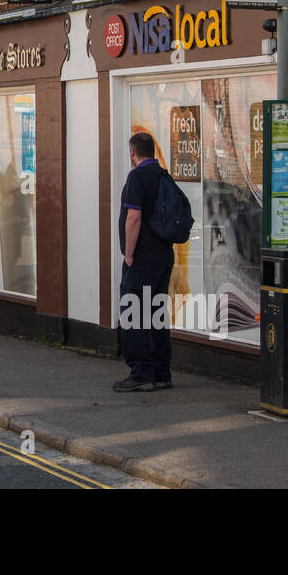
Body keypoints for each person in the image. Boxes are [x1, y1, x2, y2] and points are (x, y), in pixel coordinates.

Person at [114, 131, 175, 392]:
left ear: (132, 152)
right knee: (157, 312)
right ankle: (161, 371)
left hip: (143, 258)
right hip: (163, 256)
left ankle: (141, 373)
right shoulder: (163, 175)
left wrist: (129, 254)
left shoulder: (137, 176)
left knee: (134, 311)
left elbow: (134, 217)